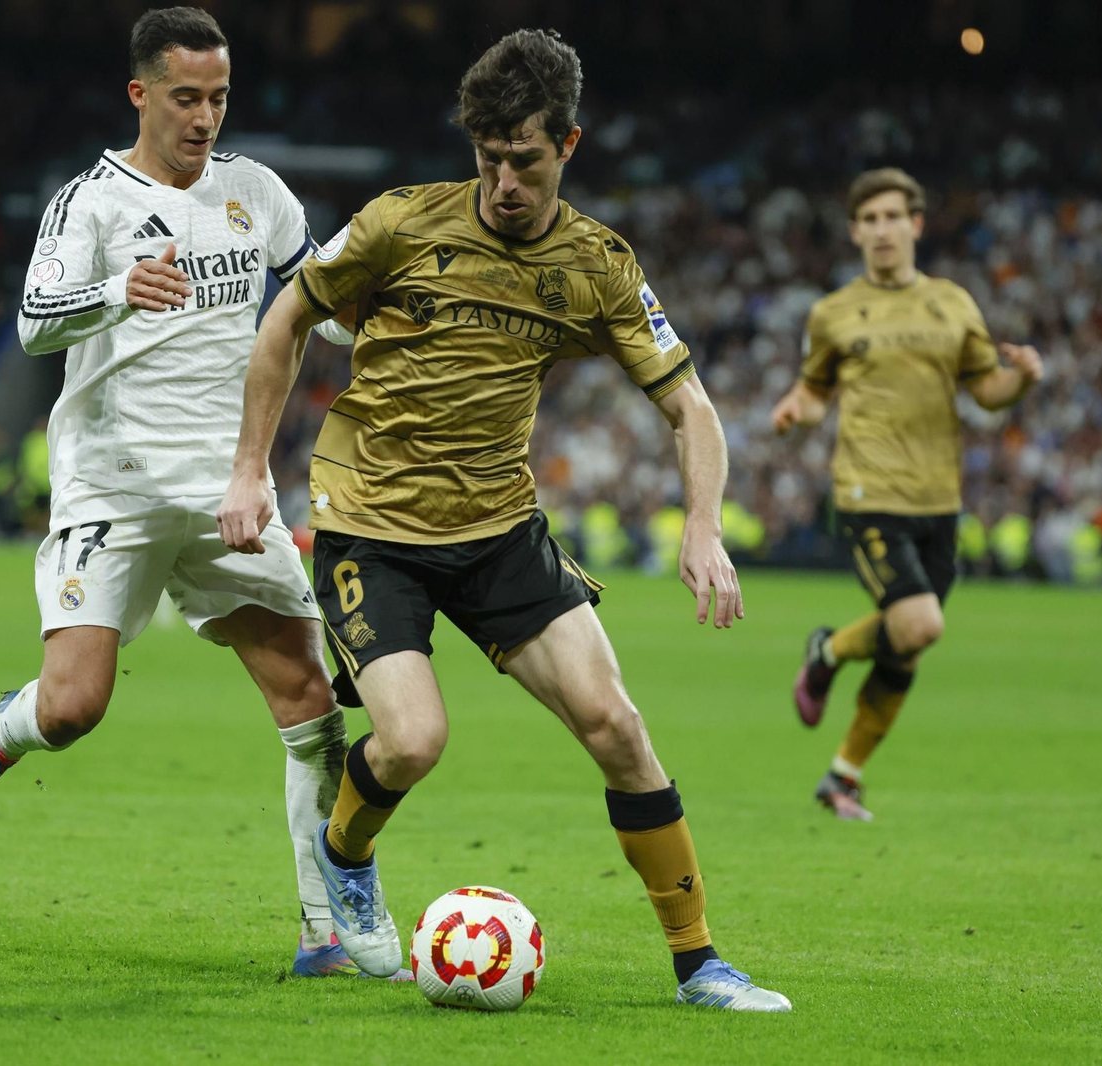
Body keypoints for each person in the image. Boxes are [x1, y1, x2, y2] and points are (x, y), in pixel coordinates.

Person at [218, 29, 790, 1012]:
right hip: (372, 527)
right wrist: (248, 472)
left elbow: (690, 407)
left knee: (616, 724)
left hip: (497, 531)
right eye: (487, 158)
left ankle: (701, 964)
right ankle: (344, 848)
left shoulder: (597, 265)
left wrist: (704, 524)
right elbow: (284, 322)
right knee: (411, 742)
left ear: (568, 145)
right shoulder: (399, 223)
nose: (503, 182)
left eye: (524, 160)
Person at [0, 6, 395, 981]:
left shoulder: (254, 193)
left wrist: (386, 312)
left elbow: (320, 306)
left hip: (229, 490)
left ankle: (324, 934)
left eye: (218, 96)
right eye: (185, 97)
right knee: (73, 708)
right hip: (114, 486)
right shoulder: (90, 202)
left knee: (311, 698)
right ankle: (1, 733)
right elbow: (32, 326)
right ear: (140, 93)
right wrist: (116, 291)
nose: (204, 117)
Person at [771, 167, 1044, 821]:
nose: (882, 229)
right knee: (919, 621)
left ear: (916, 224)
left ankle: (842, 772)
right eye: (869, 220)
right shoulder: (833, 313)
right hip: (869, 492)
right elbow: (814, 392)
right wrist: (795, 411)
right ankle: (829, 654)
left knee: (909, 640)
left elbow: (987, 391)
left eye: (893, 216)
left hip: (938, 499)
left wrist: (1024, 380)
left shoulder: (953, 304)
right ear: (855, 232)